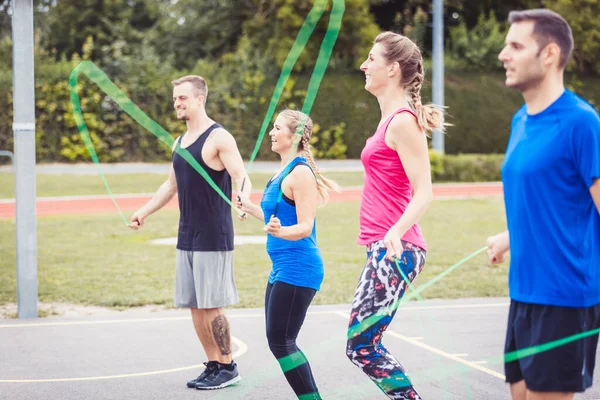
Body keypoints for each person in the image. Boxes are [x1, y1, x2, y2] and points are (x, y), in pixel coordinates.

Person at [486, 9, 600, 400]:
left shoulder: (582, 123)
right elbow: (552, 196)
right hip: (524, 293)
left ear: (550, 54)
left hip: (566, 299)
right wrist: (509, 236)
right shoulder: (522, 119)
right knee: (520, 395)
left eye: (516, 45)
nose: (504, 54)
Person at [130, 75, 252, 390]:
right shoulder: (179, 141)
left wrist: (243, 199)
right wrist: (144, 211)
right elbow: (170, 185)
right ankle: (213, 364)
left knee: (212, 304)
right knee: (195, 305)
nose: (177, 104)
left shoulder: (219, 137)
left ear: (199, 99)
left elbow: (241, 176)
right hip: (187, 235)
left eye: (182, 98)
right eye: (175, 99)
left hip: (214, 234)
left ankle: (228, 366)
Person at [345, 31, 444, 399]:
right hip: (384, 246)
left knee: (362, 345)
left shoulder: (402, 121)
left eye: (371, 59)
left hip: (398, 248)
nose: (364, 65)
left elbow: (426, 191)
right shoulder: (390, 119)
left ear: (393, 69)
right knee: (363, 344)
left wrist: (396, 231)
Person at [236, 109, 339, 400]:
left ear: (293, 136)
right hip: (281, 266)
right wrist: (250, 207)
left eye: (277, 128)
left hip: (299, 266)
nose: (271, 132)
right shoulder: (283, 171)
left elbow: (305, 226)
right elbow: (275, 218)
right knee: (277, 340)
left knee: (283, 341)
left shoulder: (300, 173)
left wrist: (280, 232)